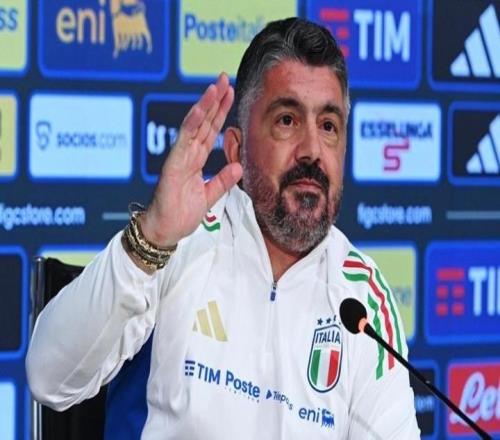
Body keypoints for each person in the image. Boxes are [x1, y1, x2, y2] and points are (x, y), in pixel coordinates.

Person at [27, 17, 420, 439]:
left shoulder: (363, 300)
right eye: (287, 120)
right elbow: (50, 379)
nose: (312, 151)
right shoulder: (179, 242)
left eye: (328, 126)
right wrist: (151, 239)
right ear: (236, 148)